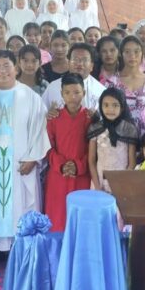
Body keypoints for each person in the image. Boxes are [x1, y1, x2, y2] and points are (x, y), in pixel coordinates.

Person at [0, 50, 50, 252]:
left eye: (6, 66)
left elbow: (40, 129)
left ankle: (19, 248)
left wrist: (33, 158)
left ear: (16, 69)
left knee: (20, 205)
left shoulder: (30, 96)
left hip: (21, 162)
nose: (2, 71)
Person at [44, 73, 91, 232]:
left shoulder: (90, 118)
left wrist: (78, 166)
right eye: (68, 93)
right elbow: (47, 147)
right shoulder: (54, 118)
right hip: (58, 176)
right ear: (62, 94)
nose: (73, 97)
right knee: (57, 219)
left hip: (82, 176)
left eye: (77, 92)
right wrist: (61, 165)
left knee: (81, 221)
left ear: (84, 93)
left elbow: (94, 149)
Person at [87, 88, 138, 193]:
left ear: (122, 107)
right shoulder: (95, 128)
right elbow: (91, 160)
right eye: (106, 105)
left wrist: (121, 186)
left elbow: (132, 163)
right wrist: (97, 186)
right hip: (99, 182)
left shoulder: (129, 129)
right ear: (100, 106)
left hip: (122, 183)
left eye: (115, 105)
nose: (110, 109)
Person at [109, 36, 145, 136]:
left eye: (136, 51)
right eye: (127, 51)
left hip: (142, 138)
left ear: (142, 54)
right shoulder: (112, 82)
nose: (132, 55)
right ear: (121, 54)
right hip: (118, 138)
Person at [42, 43, 105, 113]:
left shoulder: (101, 91)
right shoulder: (53, 87)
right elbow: (41, 113)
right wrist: (48, 114)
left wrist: (96, 117)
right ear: (68, 63)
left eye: (84, 60)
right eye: (75, 59)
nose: (79, 63)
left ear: (91, 66)